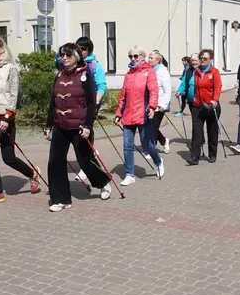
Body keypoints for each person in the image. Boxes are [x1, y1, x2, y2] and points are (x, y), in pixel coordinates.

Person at [44, 43, 112, 211]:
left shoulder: (85, 75)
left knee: (85, 161)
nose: (64, 58)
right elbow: (53, 103)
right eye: (62, 55)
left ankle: (103, 181)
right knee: (55, 162)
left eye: (68, 55)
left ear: (76, 57)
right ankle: (61, 199)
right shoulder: (58, 76)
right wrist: (48, 125)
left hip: (79, 126)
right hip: (60, 125)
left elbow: (90, 104)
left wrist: (88, 125)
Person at [0, 37, 41, 206]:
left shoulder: (10, 69)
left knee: (8, 157)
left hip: (4, 118)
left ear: (2, 49)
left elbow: (14, 94)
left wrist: (7, 116)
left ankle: (32, 173)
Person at [115, 46, 164, 185]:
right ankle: (130, 174)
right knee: (127, 145)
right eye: (131, 56)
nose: (133, 59)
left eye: (136, 56)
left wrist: (153, 107)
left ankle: (158, 161)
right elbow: (123, 96)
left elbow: (154, 91)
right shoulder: (128, 74)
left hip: (143, 114)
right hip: (128, 115)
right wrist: (119, 113)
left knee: (147, 145)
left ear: (142, 56)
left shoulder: (149, 72)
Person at [69, 37, 107, 185]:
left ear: (89, 50)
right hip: (75, 105)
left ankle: (89, 167)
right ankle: (90, 159)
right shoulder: (73, 64)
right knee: (80, 136)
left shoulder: (95, 65)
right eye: (78, 48)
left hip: (90, 105)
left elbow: (102, 85)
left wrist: (95, 102)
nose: (81, 51)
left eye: (83, 49)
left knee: (85, 134)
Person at [186, 49, 222, 165]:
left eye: (205, 58)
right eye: (201, 58)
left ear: (210, 59)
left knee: (212, 131)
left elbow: (218, 87)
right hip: (198, 105)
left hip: (211, 106)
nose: (202, 60)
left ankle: (212, 154)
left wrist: (215, 100)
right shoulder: (196, 72)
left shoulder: (214, 72)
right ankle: (195, 157)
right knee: (197, 131)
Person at [148, 50, 172, 154]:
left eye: (151, 58)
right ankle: (163, 140)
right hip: (149, 103)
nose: (149, 60)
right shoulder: (148, 70)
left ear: (158, 60)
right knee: (150, 126)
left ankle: (152, 150)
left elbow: (167, 90)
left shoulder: (163, 72)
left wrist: (164, 105)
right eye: (149, 57)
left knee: (153, 127)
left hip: (160, 104)